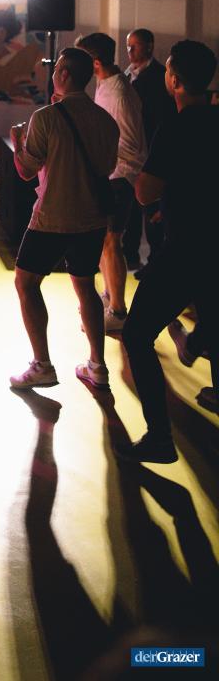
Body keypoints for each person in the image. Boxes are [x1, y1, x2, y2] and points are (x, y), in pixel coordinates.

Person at [117, 40, 219, 463]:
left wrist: (158, 193)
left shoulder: (175, 127)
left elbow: (145, 192)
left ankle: (160, 438)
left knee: (137, 334)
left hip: (187, 249)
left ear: (174, 80)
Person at [10, 47, 119, 391]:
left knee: (26, 284)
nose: (54, 72)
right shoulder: (106, 121)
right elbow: (108, 167)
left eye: (57, 67)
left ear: (64, 75)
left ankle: (42, 365)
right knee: (85, 286)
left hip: (52, 218)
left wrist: (18, 142)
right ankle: (97, 366)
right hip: (92, 218)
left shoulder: (45, 117)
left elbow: (26, 171)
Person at [76, 33, 146, 330]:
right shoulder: (106, 85)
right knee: (104, 241)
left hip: (119, 176)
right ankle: (109, 297)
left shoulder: (119, 93)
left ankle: (118, 311)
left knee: (111, 240)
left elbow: (130, 146)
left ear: (94, 62)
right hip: (109, 174)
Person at [122, 29, 176, 271]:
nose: (130, 50)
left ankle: (155, 260)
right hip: (132, 148)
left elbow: (160, 115)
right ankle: (130, 254)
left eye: (135, 45)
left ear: (149, 46)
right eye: (128, 45)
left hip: (150, 145)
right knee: (130, 207)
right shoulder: (126, 74)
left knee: (151, 207)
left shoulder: (158, 76)